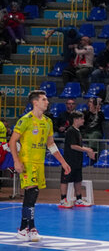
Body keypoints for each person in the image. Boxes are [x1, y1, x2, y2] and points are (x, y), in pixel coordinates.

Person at [10, 91, 71, 241]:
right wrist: (16, 161)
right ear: (35, 102)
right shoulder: (25, 120)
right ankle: (32, 228)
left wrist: (63, 162)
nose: (47, 102)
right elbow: (12, 142)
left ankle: (23, 229)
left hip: (39, 162)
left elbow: (51, 144)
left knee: (32, 196)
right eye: (44, 99)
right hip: (27, 162)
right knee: (32, 193)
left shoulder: (47, 122)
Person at [58, 111, 95, 208]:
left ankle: (79, 199)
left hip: (77, 160)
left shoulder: (78, 131)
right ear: (76, 120)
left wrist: (87, 150)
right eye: (81, 119)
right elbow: (73, 146)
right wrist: (86, 150)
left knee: (78, 179)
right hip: (69, 160)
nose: (83, 120)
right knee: (65, 180)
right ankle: (63, 200)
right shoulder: (71, 131)